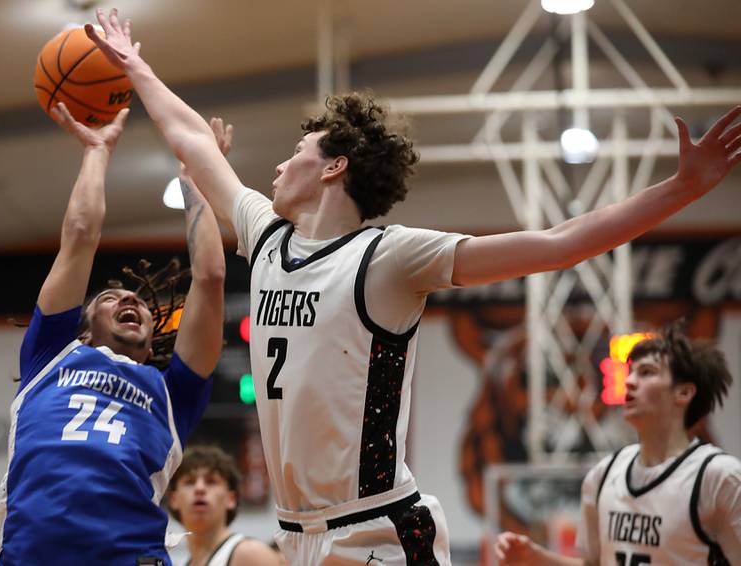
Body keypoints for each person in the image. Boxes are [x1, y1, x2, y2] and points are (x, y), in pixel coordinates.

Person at [85, 8, 741, 564]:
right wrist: (136, 67)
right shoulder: (266, 235)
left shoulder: (391, 258)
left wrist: (681, 188)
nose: (280, 163)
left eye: (298, 150)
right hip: (294, 533)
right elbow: (195, 143)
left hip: (375, 529)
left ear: (335, 166)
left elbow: (555, 246)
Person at [0, 102, 226, 565]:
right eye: (110, 299)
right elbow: (80, 233)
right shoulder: (50, 356)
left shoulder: (172, 394)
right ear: (81, 330)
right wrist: (97, 150)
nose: (130, 301)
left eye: (138, 301)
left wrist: (194, 182)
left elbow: (211, 277)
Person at [494, 322, 741, 565]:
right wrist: (538, 558)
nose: (629, 381)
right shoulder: (603, 476)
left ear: (684, 393)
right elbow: (593, 563)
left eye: (646, 372)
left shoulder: (719, 478)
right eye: (630, 372)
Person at [166, 445, 282, 565]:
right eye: (190, 482)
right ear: (174, 500)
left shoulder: (250, 554)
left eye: (211, 481)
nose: (199, 488)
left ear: (231, 499)